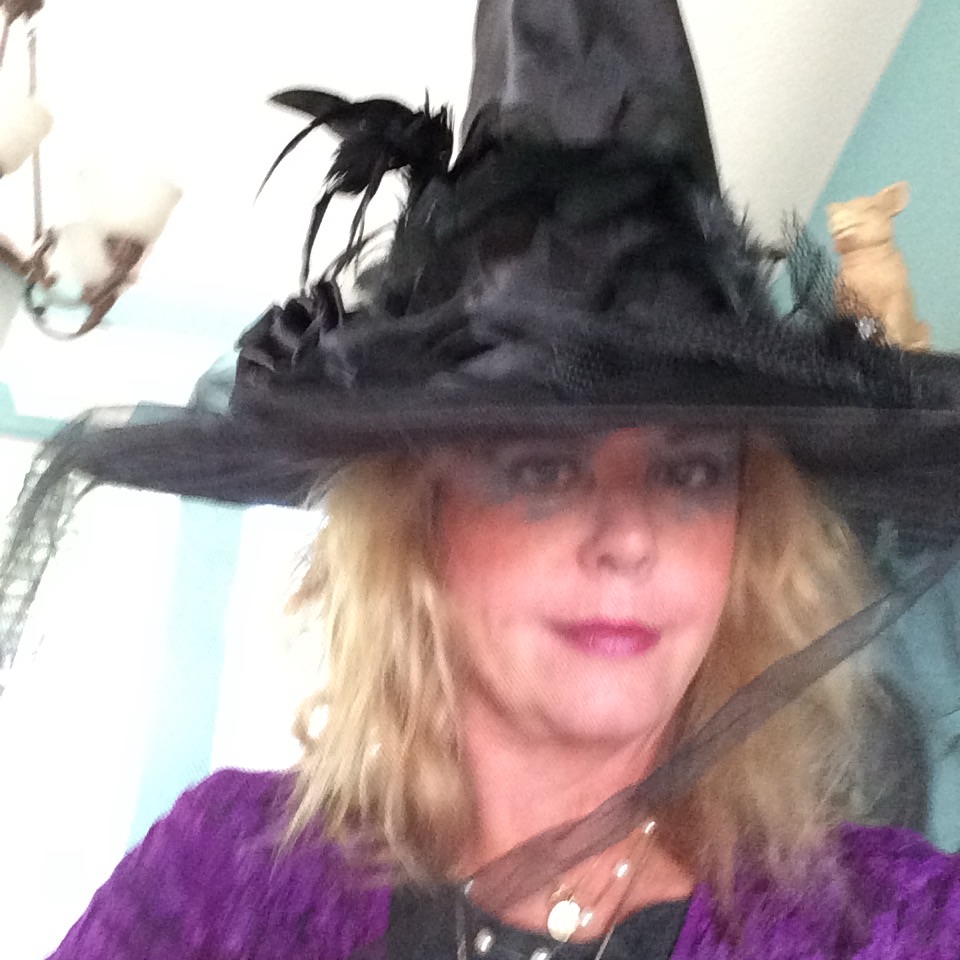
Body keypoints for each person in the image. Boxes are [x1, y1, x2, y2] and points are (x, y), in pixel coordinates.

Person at [2, 0, 958, 956]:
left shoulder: (892, 920)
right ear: (419, 521)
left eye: (691, 472)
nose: (631, 538)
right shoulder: (221, 873)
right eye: (543, 467)